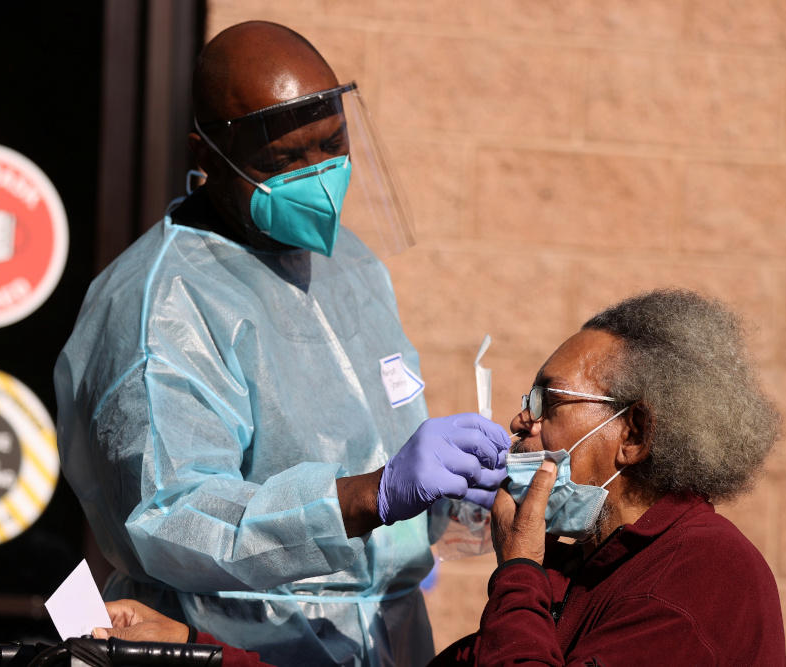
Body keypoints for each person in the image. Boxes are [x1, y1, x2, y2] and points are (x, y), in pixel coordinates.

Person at [54, 21, 509, 667]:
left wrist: (462, 493)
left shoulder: (349, 264)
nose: (317, 175)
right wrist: (364, 496)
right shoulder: (159, 303)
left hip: (388, 638)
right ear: (207, 154)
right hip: (238, 644)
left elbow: (375, 440)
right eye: (282, 160)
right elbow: (173, 518)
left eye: (331, 144)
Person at [93, 289, 786, 665]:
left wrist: (517, 572)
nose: (522, 422)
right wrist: (186, 649)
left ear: (633, 433)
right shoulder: (582, 569)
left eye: (550, 401)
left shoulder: (704, 575)